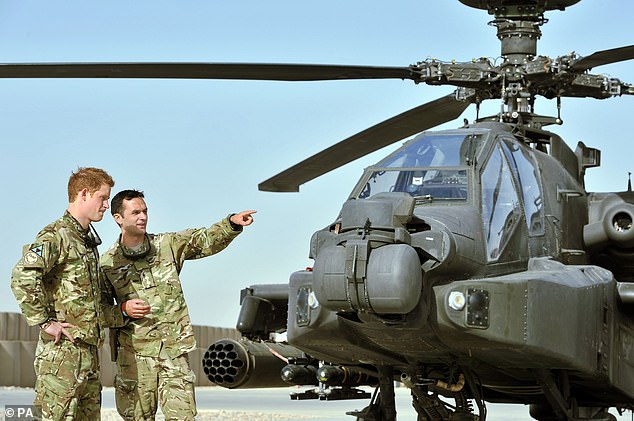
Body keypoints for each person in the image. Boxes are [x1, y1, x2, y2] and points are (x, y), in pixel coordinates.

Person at [100, 189, 255, 421]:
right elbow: (98, 311)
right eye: (135, 213)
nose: (142, 217)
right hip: (135, 358)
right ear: (118, 218)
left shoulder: (167, 245)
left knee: (183, 417)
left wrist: (230, 224)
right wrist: (123, 310)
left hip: (173, 352)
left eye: (145, 211)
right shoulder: (107, 263)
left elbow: (202, 240)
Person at [10, 167, 146, 420]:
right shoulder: (56, 235)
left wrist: (122, 311)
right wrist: (45, 322)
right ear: (84, 194)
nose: (106, 205)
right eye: (103, 198)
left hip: (89, 355)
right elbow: (22, 276)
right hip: (63, 357)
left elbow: (90, 305)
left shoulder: (87, 242)